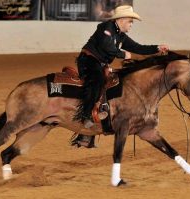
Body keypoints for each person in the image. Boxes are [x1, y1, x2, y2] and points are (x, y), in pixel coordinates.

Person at [72, 5, 169, 148]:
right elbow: (106, 46)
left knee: (114, 84)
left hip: (101, 64)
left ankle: (87, 132)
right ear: (122, 19)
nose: (131, 24)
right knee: (98, 80)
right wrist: (123, 54)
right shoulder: (106, 28)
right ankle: (86, 116)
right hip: (88, 61)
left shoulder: (121, 36)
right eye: (130, 21)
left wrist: (157, 48)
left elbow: (138, 48)